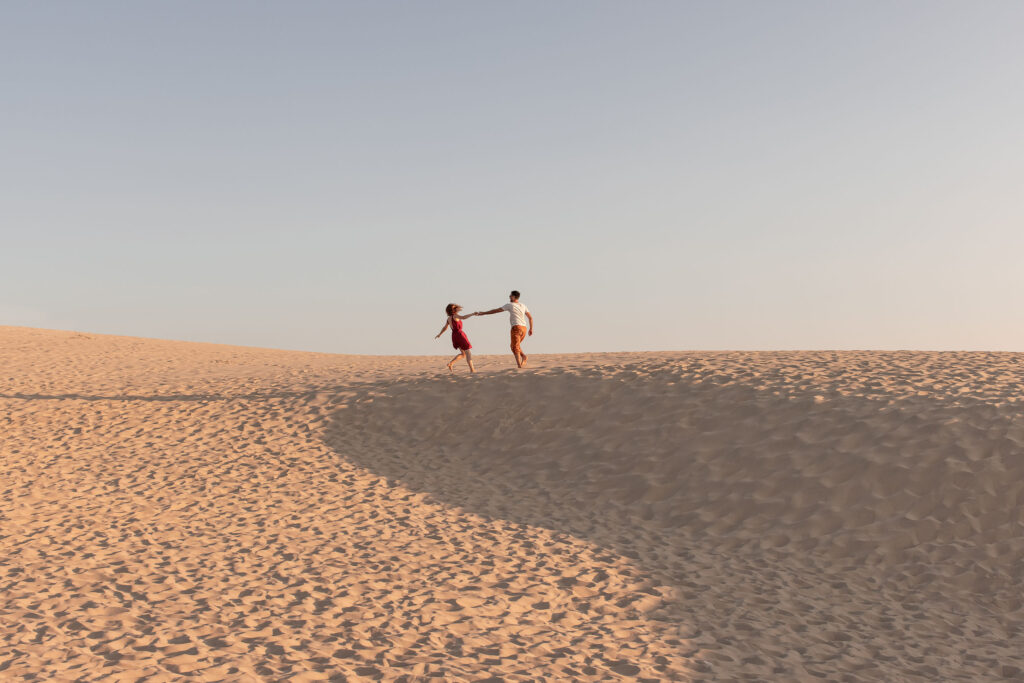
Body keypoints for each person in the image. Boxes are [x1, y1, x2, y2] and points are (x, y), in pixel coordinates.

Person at [475, 290, 534, 368]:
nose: (509, 297)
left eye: (511, 295)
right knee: (514, 345)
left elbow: (496, 310)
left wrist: (484, 313)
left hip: (516, 327)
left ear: (514, 297)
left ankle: (519, 365)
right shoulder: (523, 305)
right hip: (524, 328)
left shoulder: (510, 305)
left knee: (515, 347)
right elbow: (530, 318)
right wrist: (531, 329)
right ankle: (523, 356)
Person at [435, 303, 476, 373]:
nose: (456, 308)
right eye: (454, 308)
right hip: (460, 335)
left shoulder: (449, 318)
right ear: (452, 310)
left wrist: (440, 334)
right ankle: (472, 370)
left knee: (463, 354)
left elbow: (445, 327)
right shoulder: (455, 316)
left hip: (454, 336)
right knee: (468, 353)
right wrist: (472, 314)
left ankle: (451, 363)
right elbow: (463, 317)